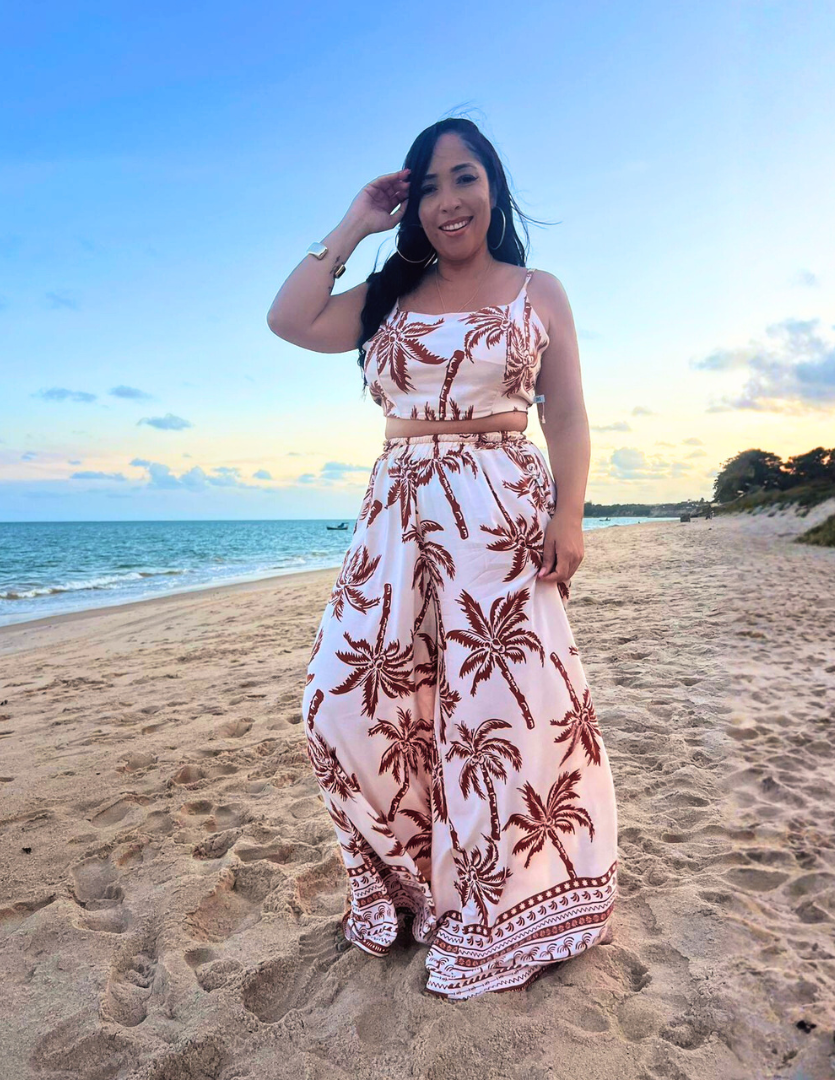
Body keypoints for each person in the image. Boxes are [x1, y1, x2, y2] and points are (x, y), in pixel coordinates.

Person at [267, 118, 618, 1000]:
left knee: (493, 722)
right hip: (395, 522)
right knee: (341, 705)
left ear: (493, 186)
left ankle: (502, 903)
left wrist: (569, 515)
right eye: (427, 186)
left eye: (463, 178)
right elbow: (289, 318)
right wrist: (356, 222)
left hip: (498, 517)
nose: (447, 200)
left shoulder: (538, 291)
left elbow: (568, 414)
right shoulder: (391, 293)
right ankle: (413, 884)